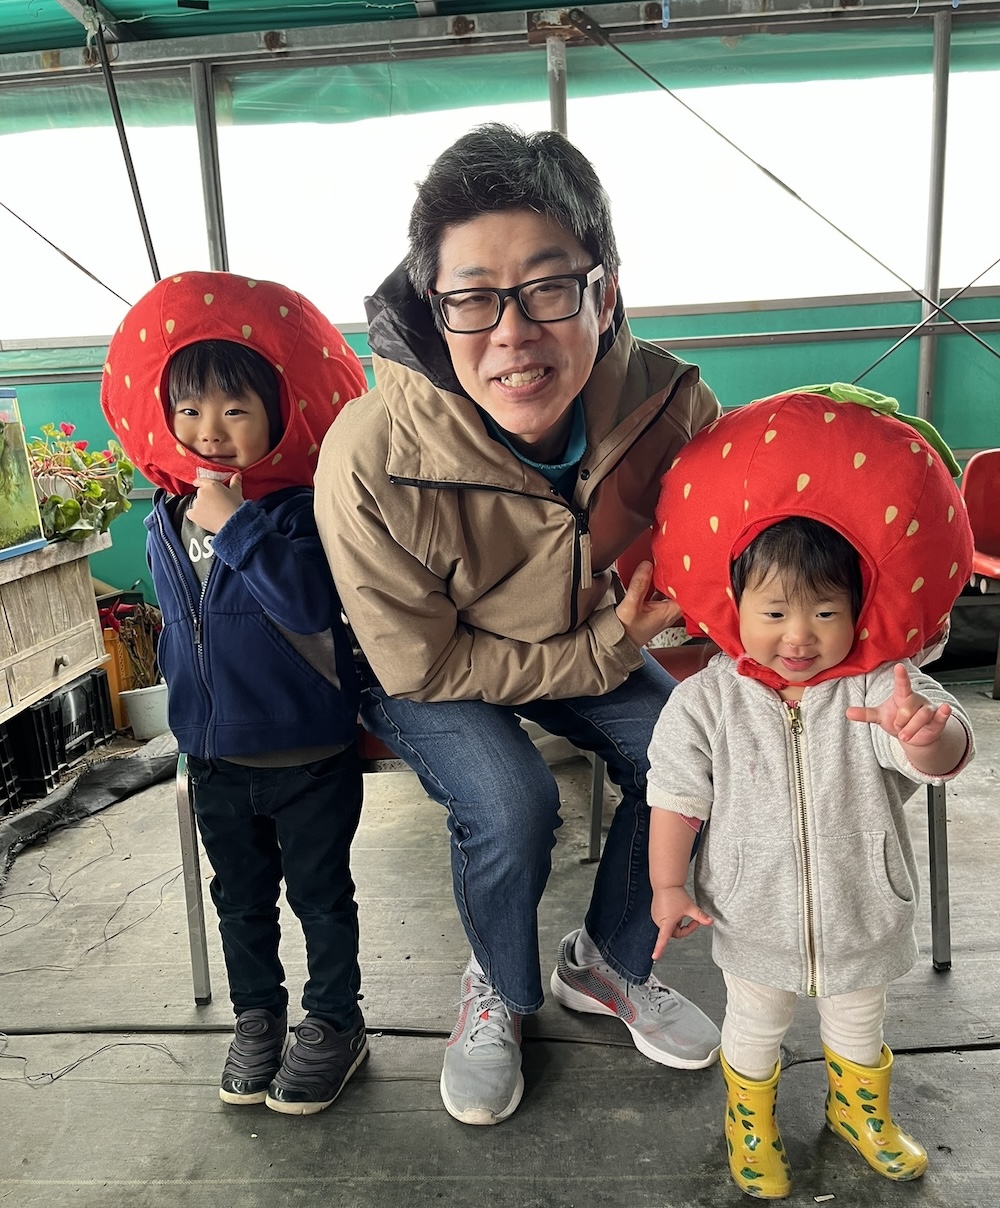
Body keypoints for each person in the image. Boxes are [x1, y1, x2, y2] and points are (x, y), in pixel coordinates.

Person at [314, 122, 723, 1126]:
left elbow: (734, 543)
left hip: (584, 632)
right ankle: (497, 985)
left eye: (547, 288)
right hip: (426, 663)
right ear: (433, 306)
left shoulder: (668, 402)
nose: (512, 334)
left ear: (605, 293)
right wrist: (613, 643)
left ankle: (610, 960)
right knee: (510, 802)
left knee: (697, 755)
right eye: (473, 298)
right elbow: (422, 664)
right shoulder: (368, 456)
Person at [645, 385, 976, 1198]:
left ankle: (860, 1112)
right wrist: (667, 884)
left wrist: (925, 736)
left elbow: (944, 753)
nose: (799, 636)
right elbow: (676, 795)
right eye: (774, 612)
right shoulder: (707, 702)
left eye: (826, 612)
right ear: (735, 608)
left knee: (860, 1023)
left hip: (864, 907)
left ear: (857, 610)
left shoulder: (881, 687)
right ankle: (749, 1122)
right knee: (755, 1025)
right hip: (751, 910)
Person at [100, 271, 370, 1115]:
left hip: (308, 752)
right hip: (215, 755)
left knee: (320, 898)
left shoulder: (302, 512)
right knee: (241, 901)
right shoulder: (165, 513)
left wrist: (239, 523)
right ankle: (258, 1018)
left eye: (234, 410)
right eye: (188, 410)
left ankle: (336, 1023)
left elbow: (309, 604)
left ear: (278, 415)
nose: (208, 431)